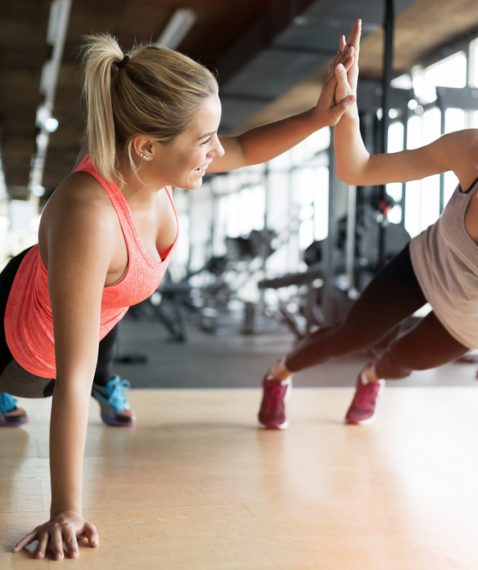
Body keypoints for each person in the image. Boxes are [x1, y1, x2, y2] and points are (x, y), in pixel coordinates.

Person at [3, 29, 356, 559]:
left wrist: (319, 116)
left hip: (85, 310)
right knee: (67, 372)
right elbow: (72, 379)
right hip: (20, 349)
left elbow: (241, 147)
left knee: (100, 330)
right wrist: (66, 509)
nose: (216, 149)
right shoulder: (89, 217)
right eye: (204, 139)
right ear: (147, 145)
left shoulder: (150, 165)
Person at [257, 20, 478, 522]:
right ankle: (278, 375)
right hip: (424, 264)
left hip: (471, 321)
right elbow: (357, 169)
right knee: (346, 335)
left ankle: (372, 375)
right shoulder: (471, 151)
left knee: (398, 362)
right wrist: (347, 105)